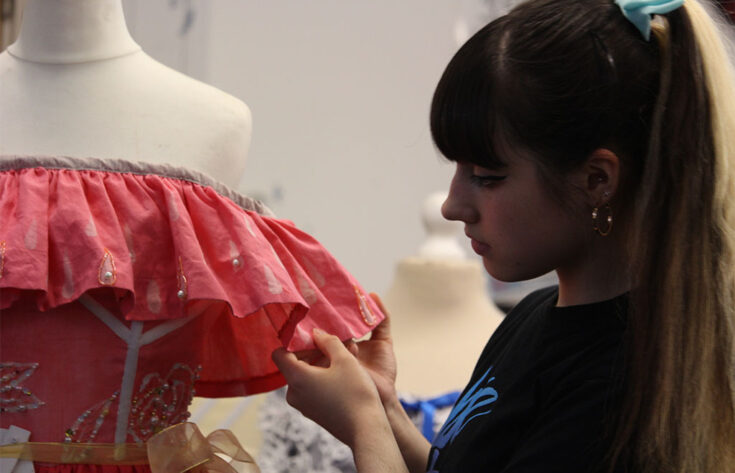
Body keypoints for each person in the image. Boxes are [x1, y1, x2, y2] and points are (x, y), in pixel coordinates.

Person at [272, 0, 735, 472]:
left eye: (487, 176)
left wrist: (363, 422)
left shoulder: (622, 380)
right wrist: (384, 408)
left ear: (597, 179)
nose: (452, 206)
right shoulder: (533, 317)